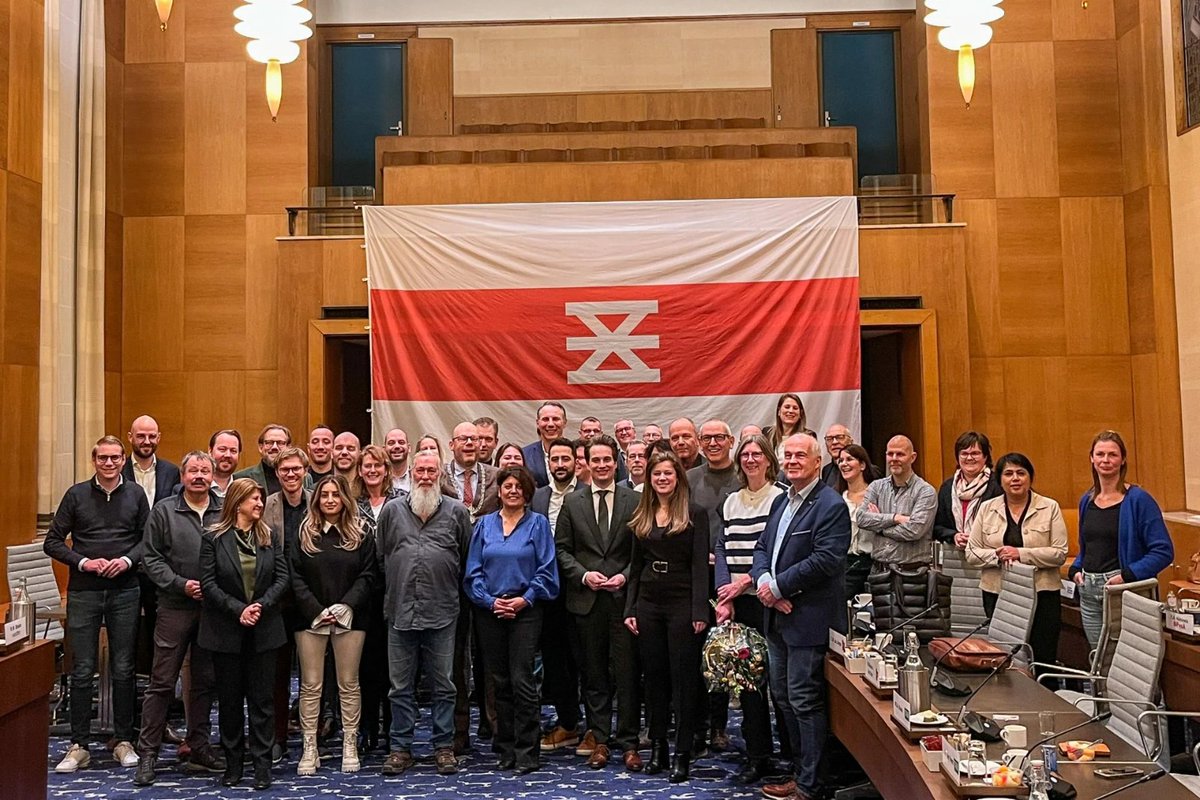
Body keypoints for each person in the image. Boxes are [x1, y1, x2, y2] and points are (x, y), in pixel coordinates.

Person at [753, 434, 850, 800]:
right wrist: (765, 583)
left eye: (800, 456)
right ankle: (799, 770)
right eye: (787, 455)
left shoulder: (830, 504)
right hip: (778, 617)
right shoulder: (782, 500)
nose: (792, 461)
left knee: (805, 701)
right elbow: (764, 548)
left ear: (816, 461)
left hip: (809, 621)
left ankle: (812, 784)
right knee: (782, 696)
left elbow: (826, 560)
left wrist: (778, 588)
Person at [46, 435, 150, 774]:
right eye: (102, 458)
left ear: (123, 460)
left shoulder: (135, 494)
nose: (109, 463)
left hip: (125, 589)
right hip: (85, 589)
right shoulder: (76, 494)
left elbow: (148, 541)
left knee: (123, 667)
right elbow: (52, 542)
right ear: (94, 460)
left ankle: (123, 740)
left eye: (115, 458)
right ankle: (79, 745)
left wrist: (127, 560)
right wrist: (82, 562)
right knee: (81, 669)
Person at [376, 452, 472, 776]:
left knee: (443, 685)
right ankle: (400, 749)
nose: (426, 475)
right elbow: (381, 557)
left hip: (443, 611)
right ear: (412, 474)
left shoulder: (457, 513)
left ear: (440, 473)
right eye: (421, 470)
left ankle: (443, 747)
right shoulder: (391, 511)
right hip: (400, 611)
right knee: (399, 686)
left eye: (432, 470)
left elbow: (466, 559)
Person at [135, 451, 226, 786]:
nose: (199, 476)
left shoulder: (222, 510)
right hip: (174, 606)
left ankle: (199, 745)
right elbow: (151, 558)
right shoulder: (164, 511)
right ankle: (148, 754)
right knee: (161, 682)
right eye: (193, 471)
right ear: (182, 476)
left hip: (212, 610)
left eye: (205, 470)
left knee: (204, 682)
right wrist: (181, 585)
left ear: (212, 476)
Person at [465, 465, 560, 775]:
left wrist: (524, 599)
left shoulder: (538, 525)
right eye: (507, 486)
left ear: (527, 491)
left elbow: (546, 569)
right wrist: (490, 601)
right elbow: (473, 571)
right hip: (489, 610)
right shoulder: (483, 525)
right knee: (499, 682)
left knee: (522, 680)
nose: (513, 490)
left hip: (526, 610)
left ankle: (527, 750)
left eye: (519, 486)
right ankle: (504, 748)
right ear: (500, 490)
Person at [555, 435, 642, 771]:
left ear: (615, 463)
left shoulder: (634, 500)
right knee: (594, 675)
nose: (603, 465)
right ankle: (601, 740)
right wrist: (583, 575)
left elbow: (644, 550)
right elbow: (561, 549)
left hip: (623, 599)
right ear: (586, 464)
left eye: (608, 460)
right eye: (597, 460)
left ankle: (629, 742)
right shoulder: (573, 503)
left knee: (627, 674)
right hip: (586, 601)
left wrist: (625, 574)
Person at [622, 451, 709, 783]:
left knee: (683, 681)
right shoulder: (642, 514)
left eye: (668, 474)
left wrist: (700, 609)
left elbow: (701, 566)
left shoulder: (695, 514)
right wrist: (630, 608)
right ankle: (657, 747)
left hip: (682, 602)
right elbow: (635, 567)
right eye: (656, 474)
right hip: (648, 602)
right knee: (654, 679)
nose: (662, 479)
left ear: (678, 478)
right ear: (649, 478)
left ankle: (682, 753)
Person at [199, 478, 289, 790]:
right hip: (226, 630)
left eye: (261, 499)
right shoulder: (213, 538)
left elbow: (282, 577)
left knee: (262, 702)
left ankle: (262, 766)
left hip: (264, 629)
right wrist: (238, 609)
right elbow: (208, 584)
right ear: (237, 503)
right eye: (254, 499)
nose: (260, 505)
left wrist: (260, 606)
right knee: (230, 702)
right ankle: (234, 764)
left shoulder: (269, 536)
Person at [292, 475, 377, 775]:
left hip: (350, 617)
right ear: (317, 499)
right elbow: (295, 576)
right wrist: (317, 610)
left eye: (335, 494)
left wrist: (345, 606)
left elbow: (368, 574)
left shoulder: (361, 533)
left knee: (348, 684)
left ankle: (349, 744)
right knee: (311, 686)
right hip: (310, 618)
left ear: (344, 499)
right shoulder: (304, 533)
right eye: (324, 494)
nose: (329, 499)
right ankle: (309, 747)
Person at [713, 433, 785, 785]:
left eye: (758, 454)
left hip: (770, 600)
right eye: (746, 455)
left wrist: (746, 582)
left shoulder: (781, 499)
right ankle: (758, 756)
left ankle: (791, 755)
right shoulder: (731, 501)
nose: (751, 459)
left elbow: (774, 551)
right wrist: (725, 597)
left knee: (781, 684)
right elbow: (721, 548)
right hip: (739, 604)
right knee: (749, 683)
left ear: (769, 460)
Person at [1069, 430, 1175, 648]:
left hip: (1123, 591)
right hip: (1089, 592)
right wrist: (1076, 568)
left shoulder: (1139, 500)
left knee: (1129, 665)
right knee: (1099, 662)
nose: (1105, 460)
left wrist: (1127, 575)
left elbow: (1163, 551)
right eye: (1100, 454)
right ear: (1092, 458)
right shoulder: (1086, 500)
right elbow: (1088, 546)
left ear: (1123, 459)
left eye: (1112, 455)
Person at [965, 453, 1067, 667]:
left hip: (1042, 594)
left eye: (1021, 473)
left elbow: (1059, 553)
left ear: (1030, 477)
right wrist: (997, 555)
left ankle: (1044, 698)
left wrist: (1020, 554)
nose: (1015, 479)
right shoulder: (986, 508)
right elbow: (971, 553)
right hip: (998, 593)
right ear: (1000, 480)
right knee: (1004, 656)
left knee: (1043, 657)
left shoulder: (1049, 507)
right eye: (1008, 474)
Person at [686, 419, 739, 752]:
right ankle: (697, 725)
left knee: (724, 655)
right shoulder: (689, 478)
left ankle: (719, 726)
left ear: (731, 440)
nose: (714, 443)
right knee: (695, 654)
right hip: (696, 577)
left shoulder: (744, 477)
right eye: (707, 438)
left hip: (735, 579)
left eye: (720, 437)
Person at [531, 436, 584, 752]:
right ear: (548, 463)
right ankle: (567, 723)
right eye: (555, 459)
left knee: (586, 660)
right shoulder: (538, 497)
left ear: (576, 462)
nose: (561, 464)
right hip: (547, 591)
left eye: (566, 459)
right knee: (554, 661)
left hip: (581, 588)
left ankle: (596, 729)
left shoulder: (585, 494)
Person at [262, 446, 309, 763]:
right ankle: (276, 736)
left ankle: (310, 736)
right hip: (277, 600)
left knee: (311, 674)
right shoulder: (268, 505)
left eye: (296, 469)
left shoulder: (319, 500)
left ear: (305, 471)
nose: (290, 475)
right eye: (284, 470)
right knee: (276, 674)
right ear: (277, 474)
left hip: (310, 599)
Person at [355, 445, 400, 753]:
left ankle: (392, 730)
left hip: (394, 590)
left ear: (386, 469)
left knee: (392, 666)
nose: (371, 470)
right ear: (359, 470)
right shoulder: (351, 503)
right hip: (361, 593)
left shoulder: (401, 502)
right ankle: (367, 728)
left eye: (377, 465)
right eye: (366, 465)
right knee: (365, 667)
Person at [856, 435, 937, 570]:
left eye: (900, 454)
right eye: (890, 454)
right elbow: (861, 518)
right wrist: (895, 518)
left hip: (912, 573)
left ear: (913, 457)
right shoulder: (876, 487)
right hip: (878, 571)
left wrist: (878, 526)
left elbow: (914, 530)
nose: (894, 459)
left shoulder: (926, 491)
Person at [933, 431, 1000, 547]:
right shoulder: (947, 487)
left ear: (985, 457)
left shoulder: (998, 485)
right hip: (955, 557)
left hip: (988, 553)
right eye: (964, 453)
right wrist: (954, 536)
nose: (969, 458)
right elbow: (937, 526)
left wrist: (976, 538)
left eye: (975, 453)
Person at [835, 445, 878, 599]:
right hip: (845, 563)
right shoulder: (837, 497)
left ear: (862, 465)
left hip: (873, 564)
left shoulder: (877, 494)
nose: (844, 464)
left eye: (849, 459)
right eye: (840, 460)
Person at [446, 421, 500, 519]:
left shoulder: (496, 476)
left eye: (474, 439)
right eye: (463, 439)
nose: (469, 443)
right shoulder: (440, 475)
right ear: (451, 445)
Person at [123, 415, 181, 507]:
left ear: (158, 438)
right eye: (141, 436)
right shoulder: (119, 470)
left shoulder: (171, 472)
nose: (147, 442)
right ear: (130, 437)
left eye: (152, 436)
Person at [235, 424, 293, 496]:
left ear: (289, 448)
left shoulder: (303, 478)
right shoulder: (242, 477)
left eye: (280, 443)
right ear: (260, 447)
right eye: (269, 443)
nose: (274, 447)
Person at [521, 401, 568, 487]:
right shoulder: (524, 455)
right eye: (545, 419)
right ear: (537, 423)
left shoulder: (577, 453)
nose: (550, 424)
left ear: (564, 423)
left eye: (555, 419)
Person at [763, 394, 806, 461]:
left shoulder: (808, 436)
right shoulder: (767, 433)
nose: (791, 411)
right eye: (787, 407)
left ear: (800, 413)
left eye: (795, 408)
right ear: (779, 412)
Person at [209, 429, 243, 497]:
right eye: (222, 449)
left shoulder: (243, 490)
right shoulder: (196, 486)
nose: (228, 455)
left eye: (233, 451)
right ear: (210, 451)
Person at [384, 428, 411, 493]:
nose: (397, 446)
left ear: (409, 448)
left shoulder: (417, 478)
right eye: (391, 443)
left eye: (401, 442)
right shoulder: (379, 480)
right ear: (384, 449)